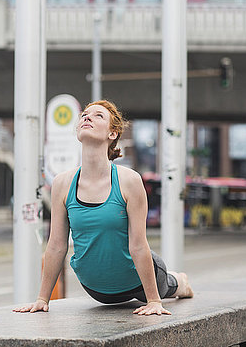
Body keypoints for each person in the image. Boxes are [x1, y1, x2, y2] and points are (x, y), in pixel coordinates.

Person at [14, 100, 193, 316]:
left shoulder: (129, 181)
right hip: (97, 289)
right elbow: (56, 245)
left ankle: (180, 280)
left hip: (138, 281)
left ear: (112, 134)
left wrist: (154, 300)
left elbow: (138, 245)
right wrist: (42, 299)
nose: (87, 117)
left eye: (98, 116)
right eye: (84, 115)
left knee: (173, 286)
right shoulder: (62, 183)